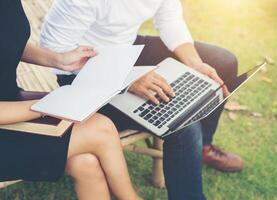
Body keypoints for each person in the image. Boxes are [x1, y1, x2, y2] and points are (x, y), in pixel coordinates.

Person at [40, 0, 242, 199]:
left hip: (128, 48)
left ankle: (202, 147)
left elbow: (169, 19)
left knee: (224, 62)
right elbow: (54, 50)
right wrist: (124, 78)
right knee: (182, 124)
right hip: (83, 75)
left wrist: (195, 63)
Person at [0, 1, 142, 199]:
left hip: (11, 102)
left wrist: (58, 59)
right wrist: (43, 107)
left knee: (85, 163)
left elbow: (9, 42)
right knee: (102, 129)